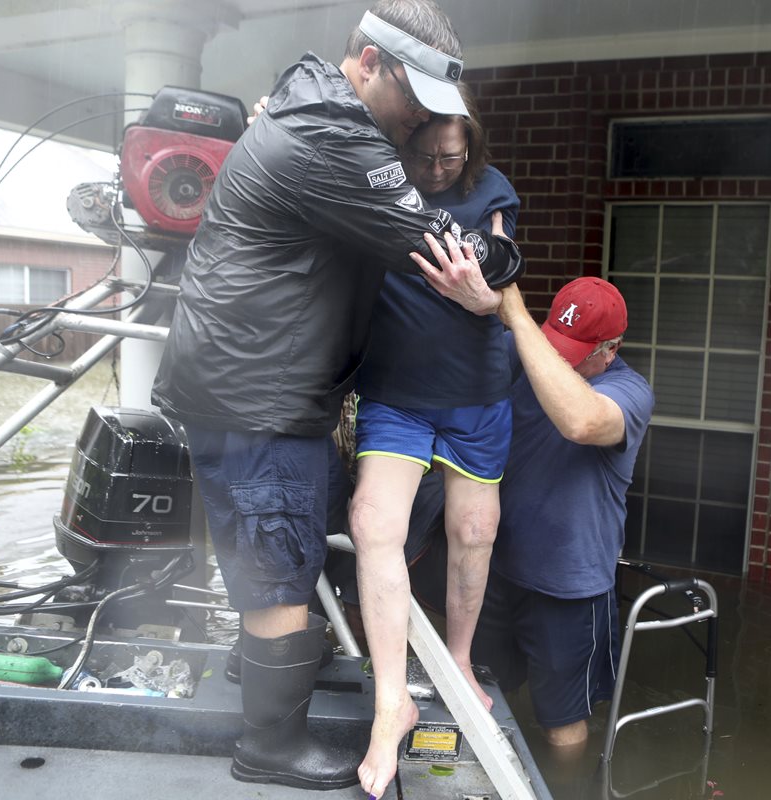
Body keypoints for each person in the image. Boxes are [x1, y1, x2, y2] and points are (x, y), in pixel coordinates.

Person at [150, 1, 521, 793]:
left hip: (256, 380)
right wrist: (500, 249)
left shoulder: (316, 106)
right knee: (280, 558)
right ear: (367, 64)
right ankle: (271, 745)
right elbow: (435, 241)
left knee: (281, 543)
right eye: (413, 93)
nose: (423, 117)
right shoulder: (334, 136)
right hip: (258, 392)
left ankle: (265, 673)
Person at [405, 264, 655, 753]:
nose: (557, 359)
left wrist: (516, 318)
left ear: (611, 351)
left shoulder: (630, 392)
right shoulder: (524, 354)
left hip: (569, 586)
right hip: (496, 572)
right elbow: (451, 361)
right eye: (554, 343)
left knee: (561, 725)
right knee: (482, 693)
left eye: (575, 354)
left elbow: (580, 422)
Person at [347, 89, 520, 797]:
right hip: (396, 392)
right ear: (407, 143)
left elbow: (505, 256)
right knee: (373, 523)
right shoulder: (375, 180)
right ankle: (393, 703)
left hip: (478, 392)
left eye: (452, 156)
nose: (439, 168)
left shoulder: (491, 188)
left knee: (474, 529)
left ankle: (457, 659)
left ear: (470, 148)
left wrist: (484, 283)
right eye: (426, 155)